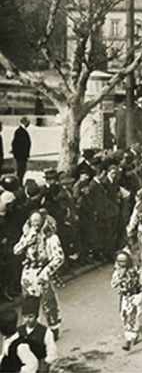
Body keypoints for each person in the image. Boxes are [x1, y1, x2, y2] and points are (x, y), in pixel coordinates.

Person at [13, 212, 64, 340]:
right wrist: (29, 236)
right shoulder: (27, 235)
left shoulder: (51, 238)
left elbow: (59, 258)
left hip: (43, 272)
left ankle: (53, 328)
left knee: (48, 302)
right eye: (32, 220)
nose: (35, 223)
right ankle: (32, 329)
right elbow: (16, 250)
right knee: (29, 302)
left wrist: (46, 272)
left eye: (37, 220)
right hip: (28, 273)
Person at [110, 249, 142, 351]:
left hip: (136, 295)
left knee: (132, 316)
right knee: (124, 316)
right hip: (125, 297)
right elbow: (113, 284)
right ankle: (134, 334)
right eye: (120, 261)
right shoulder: (117, 272)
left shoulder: (136, 270)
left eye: (124, 261)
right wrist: (119, 280)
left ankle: (128, 340)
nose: (122, 263)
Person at [15, 296, 57, 372]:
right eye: (25, 317)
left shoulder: (45, 332)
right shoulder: (18, 331)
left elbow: (52, 353)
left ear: (36, 316)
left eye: (31, 317)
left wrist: (45, 364)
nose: (27, 320)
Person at [11, 117, 31, 183]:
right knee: (21, 171)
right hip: (21, 156)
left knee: (21, 171)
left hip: (22, 155)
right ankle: (18, 184)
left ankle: (19, 183)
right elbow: (15, 143)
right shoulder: (20, 132)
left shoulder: (22, 131)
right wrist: (17, 153)